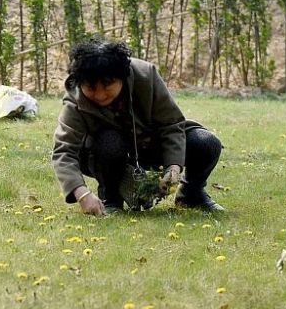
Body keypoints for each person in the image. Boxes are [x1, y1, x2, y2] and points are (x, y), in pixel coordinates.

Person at [51, 38, 224, 216]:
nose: (100, 95)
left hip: (151, 145)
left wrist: (173, 168)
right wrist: (82, 195)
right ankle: (110, 199)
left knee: (206, 143)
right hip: (103, 155)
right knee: (109, 141)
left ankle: (191, 195)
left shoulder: (146, 75)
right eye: (91, 88)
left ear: (122, 77)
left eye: (108, 85)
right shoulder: (75, 97)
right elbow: (64, 151)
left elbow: (171, 124)